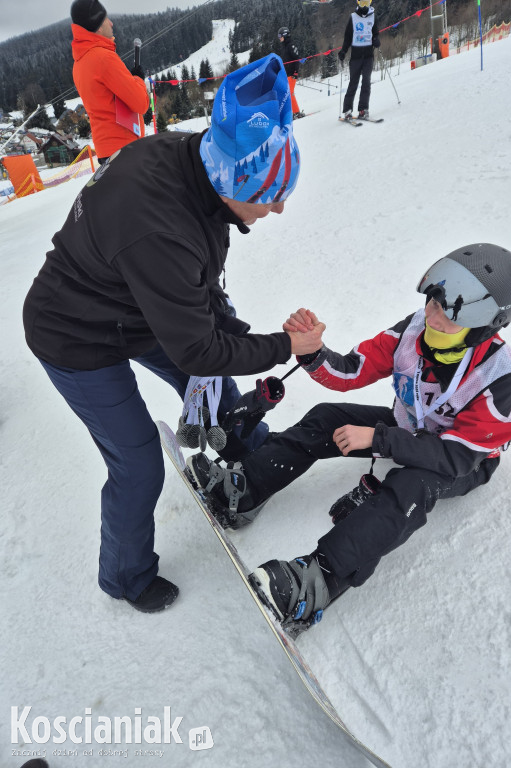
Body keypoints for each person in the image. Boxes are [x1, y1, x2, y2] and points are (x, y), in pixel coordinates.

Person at [22, 53, 322, 614]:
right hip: (74, 335)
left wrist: (239, 331)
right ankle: (126, 576)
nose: (278, 209)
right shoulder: (161, 227)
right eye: (270, 196)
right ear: (237, 182)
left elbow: (200, 290)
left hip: (134, 303)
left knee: (214, 383)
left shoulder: (199, 166)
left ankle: (246, 457)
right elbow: (199, 346)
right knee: (138, 463)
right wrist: (285, 348)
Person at [189, 244, 511, 633]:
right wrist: (313, 351)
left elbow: (457, 457)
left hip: (462, 459)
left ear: (486, 324)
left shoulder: (502, 379)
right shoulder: (414, 329)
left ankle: (318, 580)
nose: (433, 317)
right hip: (410, 427)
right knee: (326, 418)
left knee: (412, 484)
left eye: (449, 313)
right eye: (432, 302)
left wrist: (381, 439)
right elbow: (353, 370)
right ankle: (246, 488)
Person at [70, 0, 150, 163]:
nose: (111, 23)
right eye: (106, 19)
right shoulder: (103, 57)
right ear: (98, 25)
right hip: (126, 150)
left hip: (106, 151)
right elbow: (141, 103)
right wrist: (138, 79)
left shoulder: (79, 63)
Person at [338, 0, 380, 120]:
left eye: (367, 3)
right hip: (356, 56)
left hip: (368, 56)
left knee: (366, 82)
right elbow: (347, 37)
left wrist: (376, 40)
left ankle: (363, 109)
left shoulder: (373, 16)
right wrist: (343, 51)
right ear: (358, 3)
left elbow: (375, 33)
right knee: (353, 83)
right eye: (362, 3)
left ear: (370, 3)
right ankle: (347, 110)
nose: (365, 6)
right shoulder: (353, 17)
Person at [278, 26, 304, 119]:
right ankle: (293, 112)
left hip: (292, 74)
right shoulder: (284, 47)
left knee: (290, 93)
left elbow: (296, 59)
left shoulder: (291, 46)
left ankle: (296, 112)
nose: (279, 38)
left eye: (280, 36)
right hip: (287, 74)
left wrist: (295, 72)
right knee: (287, 93)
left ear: (285, 35)